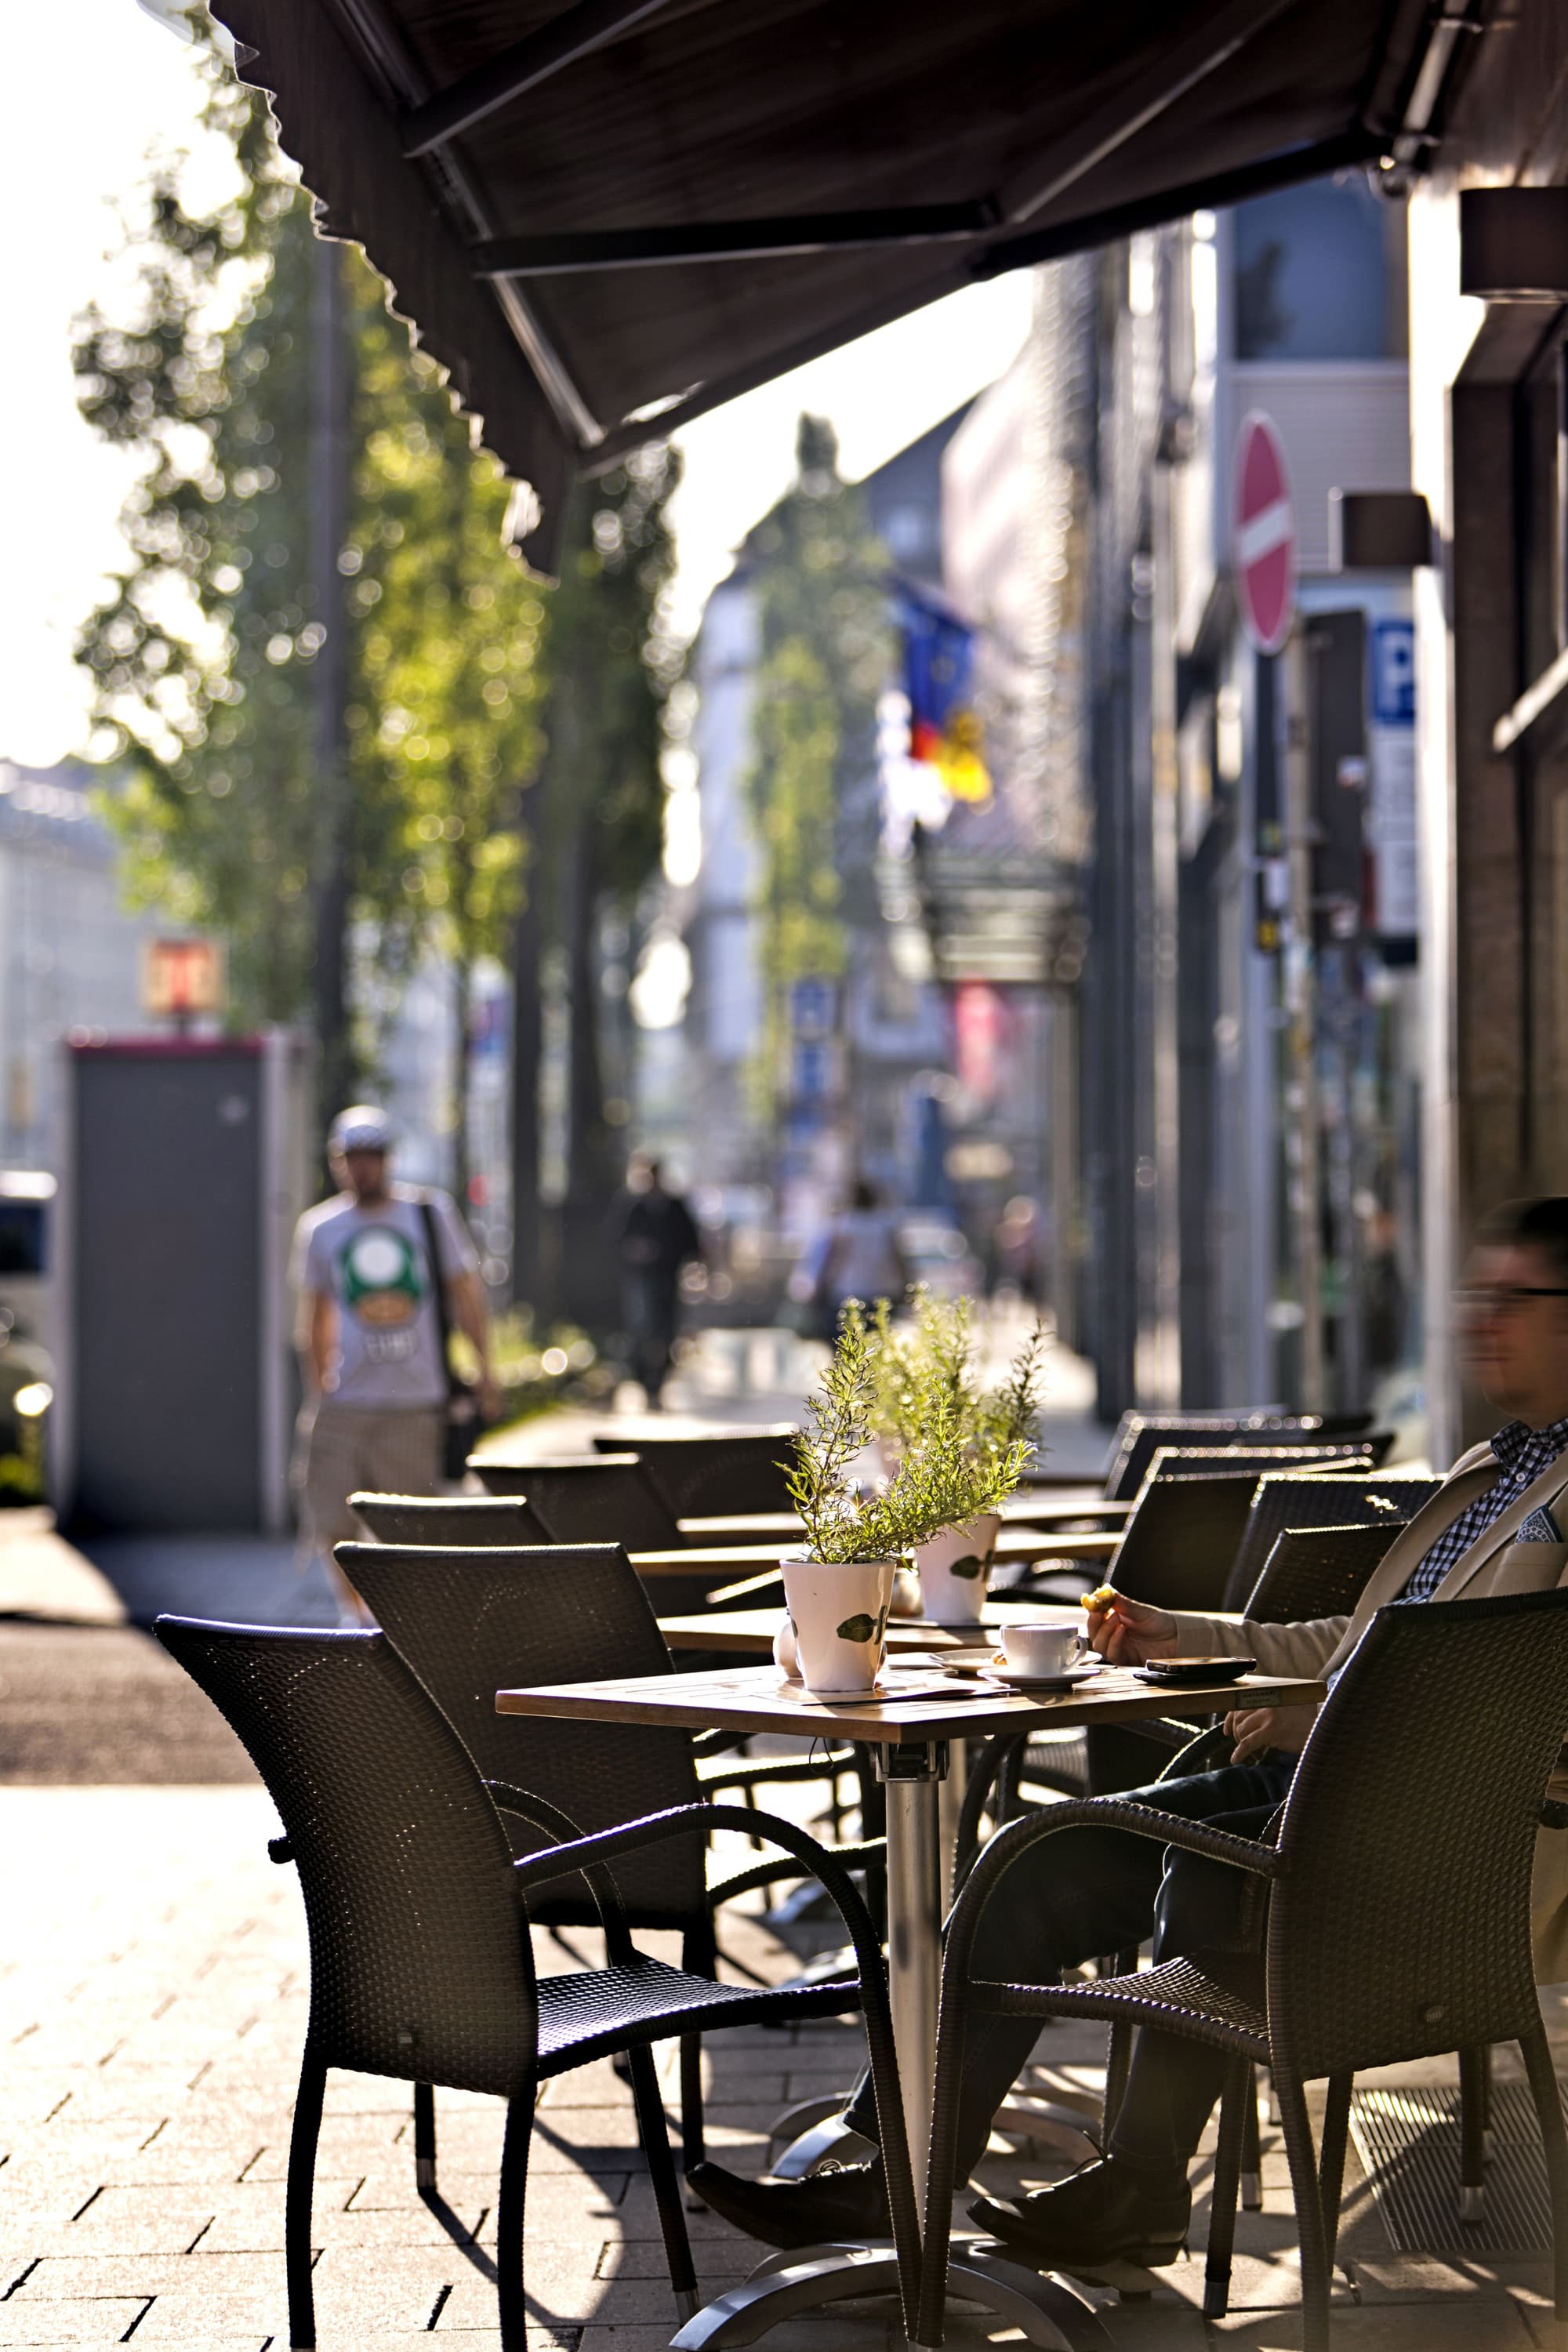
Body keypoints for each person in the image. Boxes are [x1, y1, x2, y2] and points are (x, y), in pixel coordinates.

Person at [688, 1195, 1568, 2267]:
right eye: (1475, 1295)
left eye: (1510, 1299)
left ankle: (1128, 2185)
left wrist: (1328, 1720)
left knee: (1190, 1875)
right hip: (1324, 1793)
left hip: (1430, 1848)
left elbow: (1521, 1699)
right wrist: (1184, 1633)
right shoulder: (1495, 1469)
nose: (1480, 1319)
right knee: (1030, 1864)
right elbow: (1358, 1642)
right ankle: (900, 2174)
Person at [291, 1106, 497, 1617]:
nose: (363, 1168)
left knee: (409, 1526)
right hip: (346, 1402)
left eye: (372, 1157)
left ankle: (399, 1619)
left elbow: (465, 1294)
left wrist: (486, 1368)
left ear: (389, 1159)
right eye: (352, 1158)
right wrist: (318, 1389)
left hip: (416, 1402)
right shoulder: (321, 1228)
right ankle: (353, 1615)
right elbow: (314, 1315)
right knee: (331, 1515)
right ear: (337, 1162)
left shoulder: (428, 1214)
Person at [611, 1152, 701, 1408]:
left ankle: (658, 1381)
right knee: (640, 1330)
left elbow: (691, 1242)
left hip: (669, 1278)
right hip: (639, 1279)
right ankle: (643, 1380)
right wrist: (634, 1250)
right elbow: (615, 1240)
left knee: (667, 1331)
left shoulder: (675, 1206)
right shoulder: (632, 1206)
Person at [796, 1178, 909, 1335]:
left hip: (849, 1292)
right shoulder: (885, 1225)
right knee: (877, 1344)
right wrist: (907, 1285)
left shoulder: (844, 1225)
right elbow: (899, 1260)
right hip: (884, 1291)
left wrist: (821, 1287)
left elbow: (834, 1260)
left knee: (846, 1344)